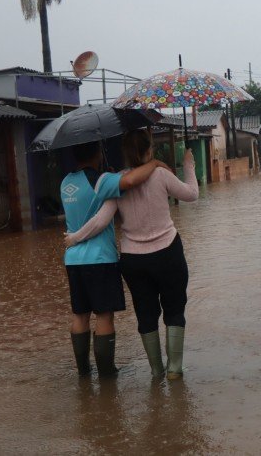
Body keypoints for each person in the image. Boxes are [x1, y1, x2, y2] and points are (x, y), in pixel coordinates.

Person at [66, 130, 199, 380]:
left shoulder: (116, 182)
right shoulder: (161, 174)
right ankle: (174, 369)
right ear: (150, 150)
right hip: (168, 252)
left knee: (145, 314)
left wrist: (74, 238)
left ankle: (156, 370)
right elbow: (192, 195)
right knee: (174, 309)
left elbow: (100, 221)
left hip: (133, 260)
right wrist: (189, 165)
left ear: (125, 152)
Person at [62, 140, 167, 377]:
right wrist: (155, 163)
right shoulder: (101, 180)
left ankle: (83, 372)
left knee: (79, 314)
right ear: (97, 153)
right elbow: (130, 180)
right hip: (100, 258)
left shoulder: (65, 182)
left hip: (73, 259)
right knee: (104, 315)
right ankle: (107, 374)